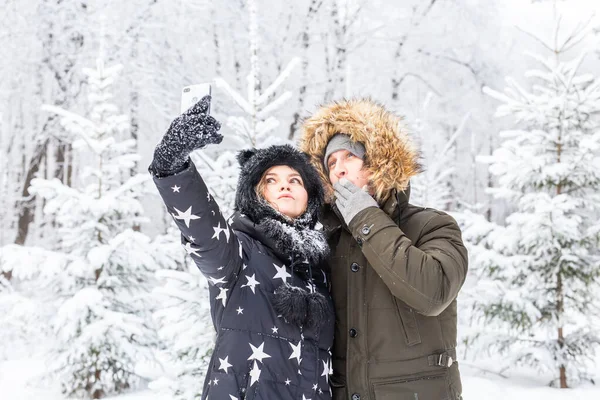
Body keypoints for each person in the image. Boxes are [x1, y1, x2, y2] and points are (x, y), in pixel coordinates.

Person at [149, 96, 335, 400]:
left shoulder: (324, 269)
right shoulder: (240, 251)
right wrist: (172, 166)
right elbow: (204, 232)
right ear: (256, 195)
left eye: (295, 180)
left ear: (310, 197)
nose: (285, 185)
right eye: (271, 180)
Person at [299, 98, 468, 400]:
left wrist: (365, 218)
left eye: (348, 156)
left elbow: (433, 292)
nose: (338, 169)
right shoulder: (326, 239)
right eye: (331, 163)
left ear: (376, 161)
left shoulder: (433, 225)